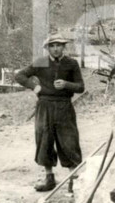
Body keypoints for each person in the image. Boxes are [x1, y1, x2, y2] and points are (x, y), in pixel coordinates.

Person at [14, 33, 85, 192]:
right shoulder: (40, 62)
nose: (55, 49)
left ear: (63, 47)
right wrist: (34, 86)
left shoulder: (71, 64)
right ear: (47, 48)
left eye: (58, 45)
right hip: (44, 106)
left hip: (64, 107)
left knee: (69, 142)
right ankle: (49, 178)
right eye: (52, 46)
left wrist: (66, 84)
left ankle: (73, 181)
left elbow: (81, 87)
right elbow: (19, 75)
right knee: (44, 141)